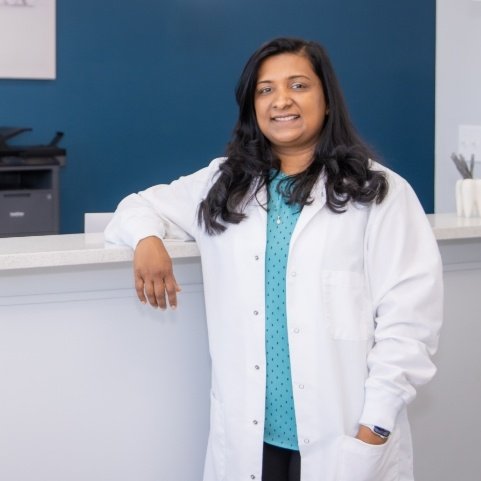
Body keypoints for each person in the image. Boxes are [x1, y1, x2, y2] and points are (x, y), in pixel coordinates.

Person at [104, 37, 443, 481]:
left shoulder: (379, 193)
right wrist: (148, 240)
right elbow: (134, 206)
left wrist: (375, 427)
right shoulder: (224, 184)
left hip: (345, 437)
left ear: (326, 100)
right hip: (251, 441)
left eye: (298, 85)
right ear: (252, 106)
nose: (281, 100)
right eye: (265, 90)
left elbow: (410, 320)